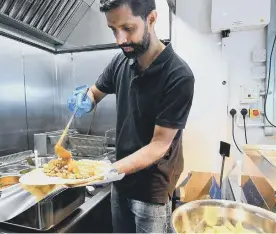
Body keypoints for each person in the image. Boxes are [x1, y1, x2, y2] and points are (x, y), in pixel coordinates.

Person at [67, 0, 195, 232]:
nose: (120, 40)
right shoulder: (121, 61)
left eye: (128, 28)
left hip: (151, 189)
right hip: (121, 181)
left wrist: (105, 171)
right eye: (113, 30)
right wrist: (86, 98)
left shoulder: (178, 76)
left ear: (151, 19)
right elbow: (95, 92)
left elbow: (159, 145)